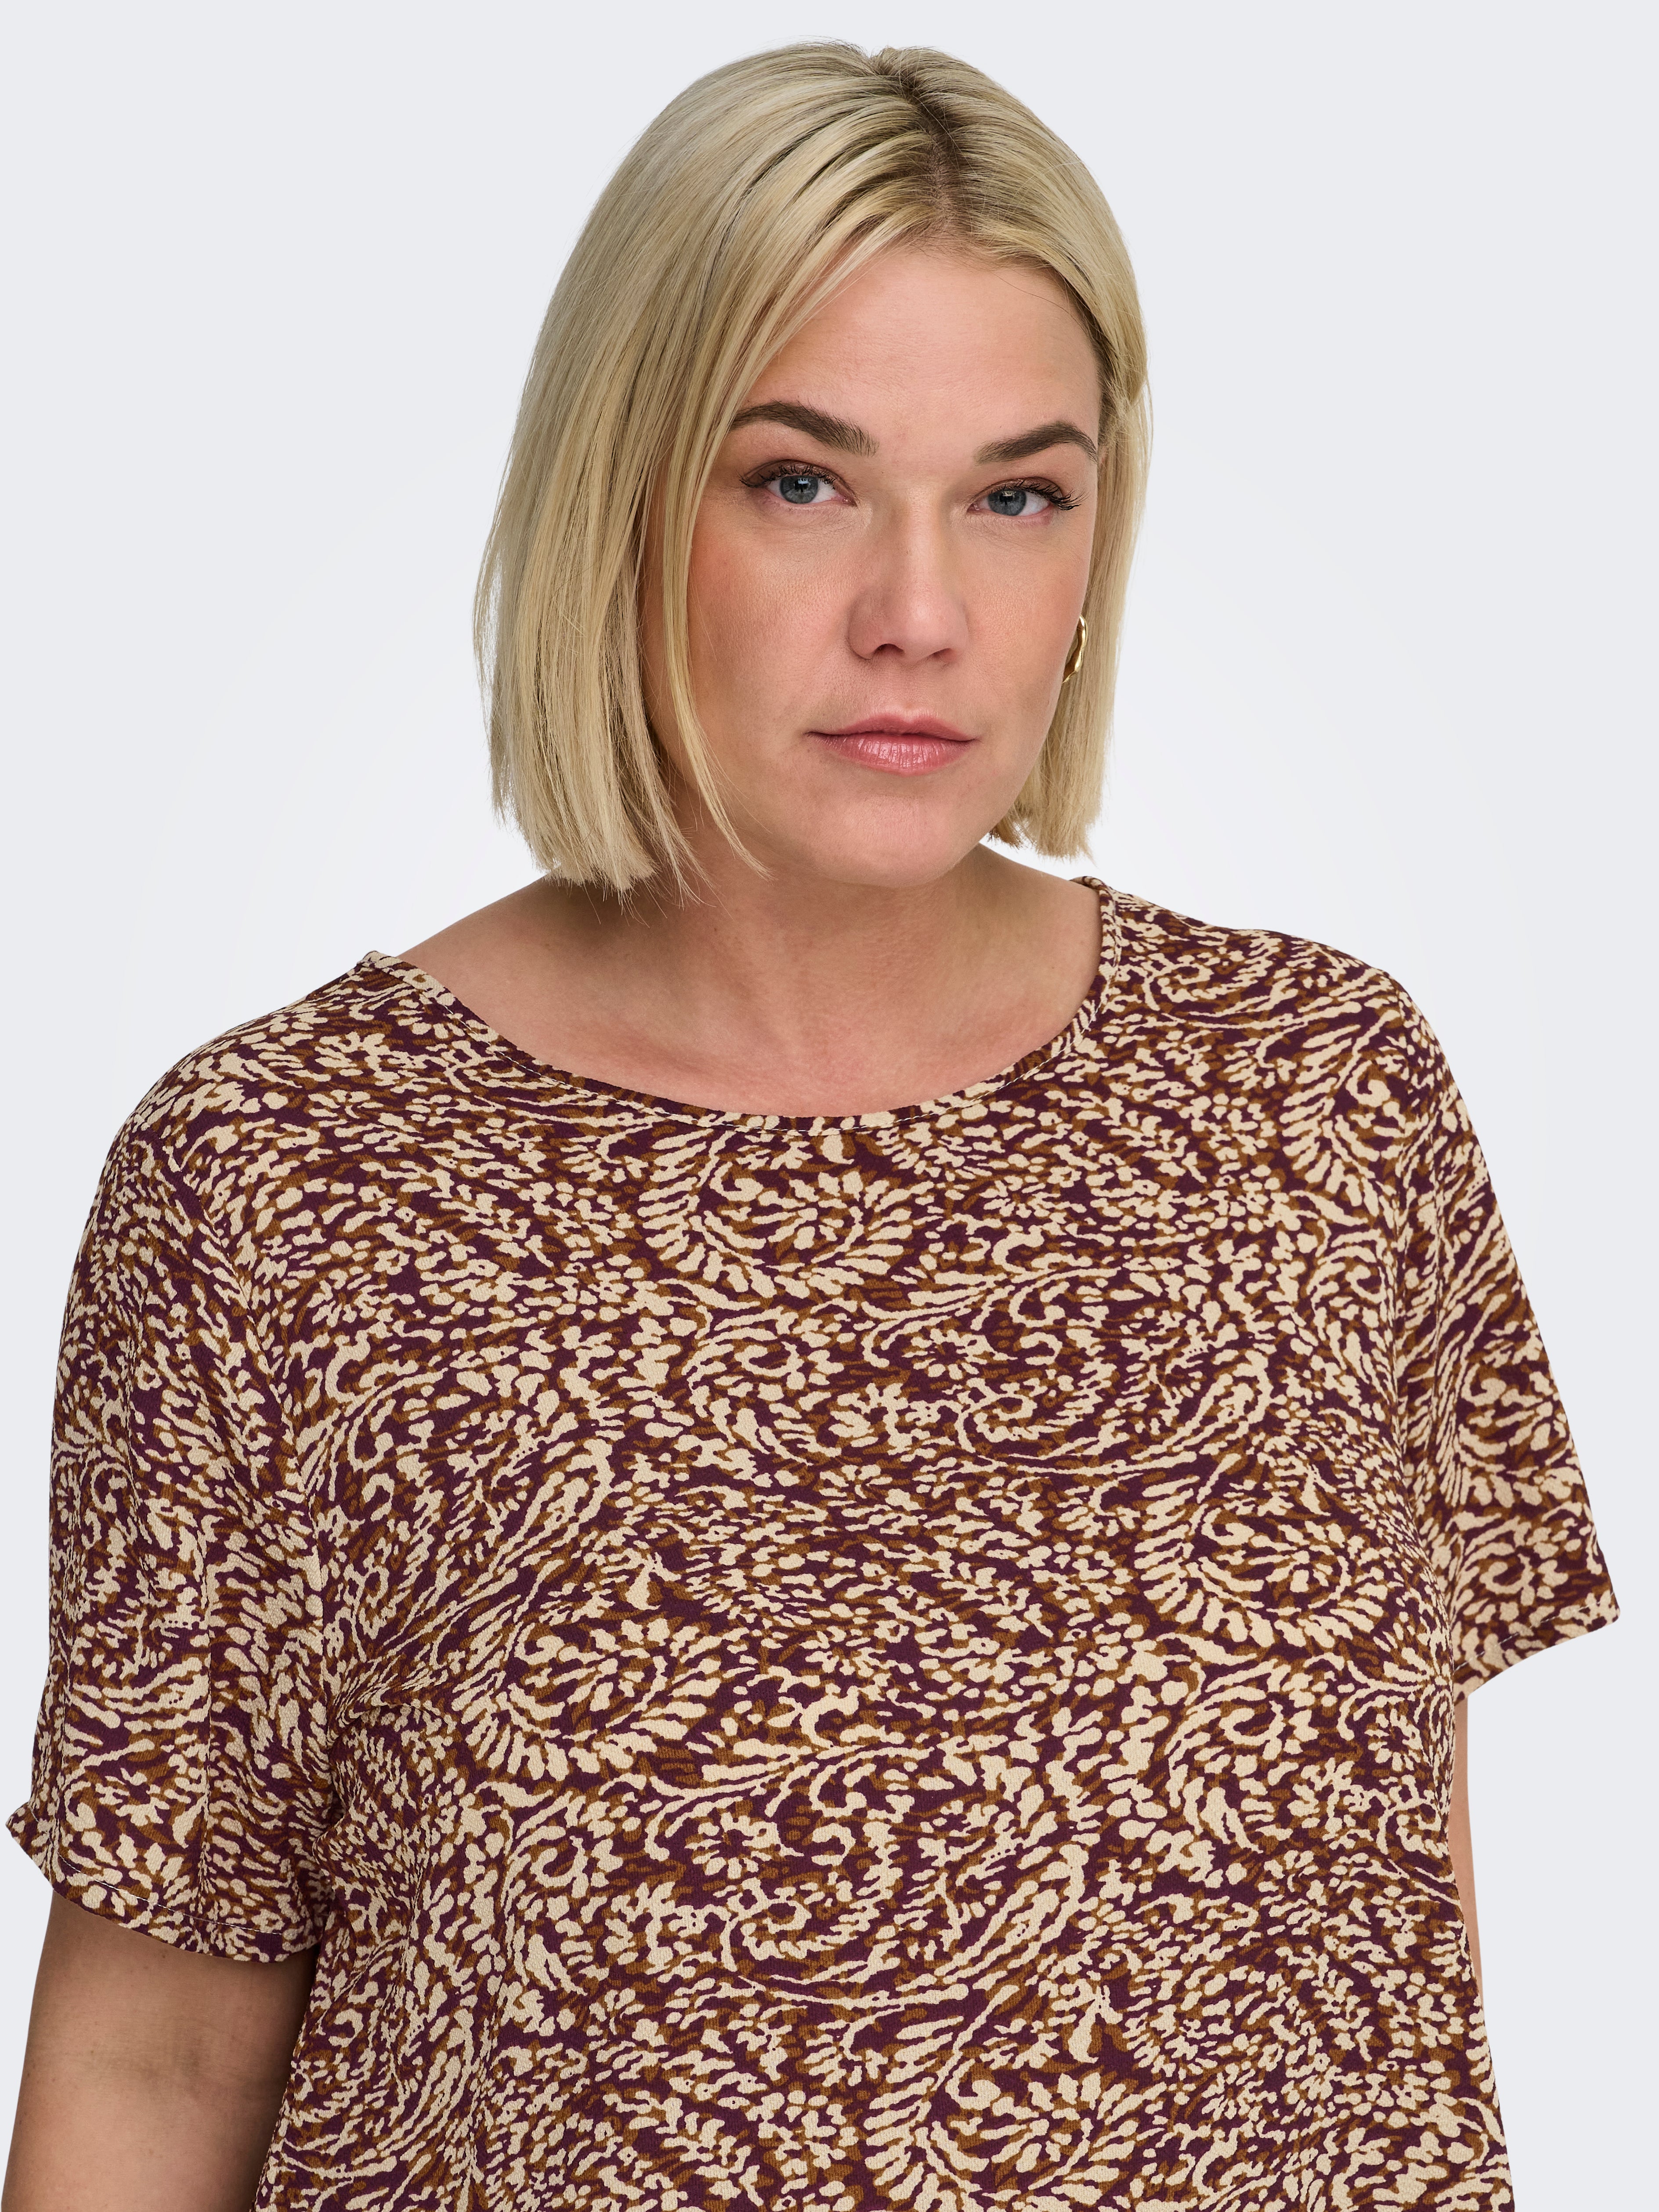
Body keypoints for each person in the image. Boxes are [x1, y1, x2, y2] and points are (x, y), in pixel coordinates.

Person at [3, 41, 1616, 2212]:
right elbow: (152, 2057)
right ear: (621, 493)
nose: (919, 614)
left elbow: (1396, 1982)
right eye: (800, 480)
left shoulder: (1318, 1096)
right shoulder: (286, 1181)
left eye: (1018, 496)